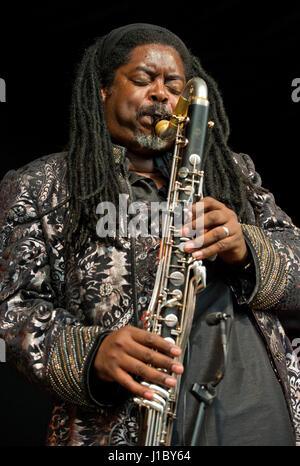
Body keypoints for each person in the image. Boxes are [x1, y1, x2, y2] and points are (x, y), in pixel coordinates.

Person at [0, 23, 299, 447]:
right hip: (125, 425)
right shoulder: (39, 185)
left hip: (254, 411)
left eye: (173, 86)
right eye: (143, 80)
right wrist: (92, 353)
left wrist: (247, 247)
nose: (161, 94)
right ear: (103, 91)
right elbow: (11, 311)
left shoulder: (233, 173)